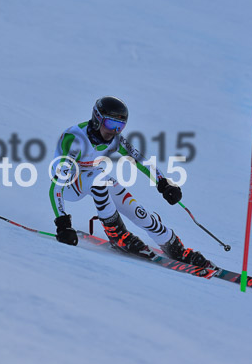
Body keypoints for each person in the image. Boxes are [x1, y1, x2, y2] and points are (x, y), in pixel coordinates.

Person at [49, 96, 212, 268]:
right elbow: (55, 188)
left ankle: (173, 246)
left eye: (120, 127)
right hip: (68, 186)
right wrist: (63, 224)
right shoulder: (76, 140)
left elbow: (140, 160)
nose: (114, 131)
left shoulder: (115, 139)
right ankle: (117, 235)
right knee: (98, 179)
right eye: (111, 125)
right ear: (97, 119)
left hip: (91, 176)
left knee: (127, 201)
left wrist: (163, 183)